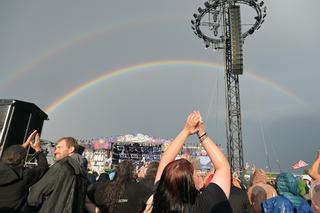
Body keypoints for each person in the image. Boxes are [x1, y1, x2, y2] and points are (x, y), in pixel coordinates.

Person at [146, 111, 232, 213]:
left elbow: (165, 161)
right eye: (195, 173)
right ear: (191, 183)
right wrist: (202, 134)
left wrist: (186, 131)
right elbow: (223, 166)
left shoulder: (160, 199)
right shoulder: (205, 203)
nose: (199, 175)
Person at [28, 137, 88, 213]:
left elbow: (34, 197)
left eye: (59, 147)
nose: (55, 151)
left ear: (71, 149)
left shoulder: (61, 166)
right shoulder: (82, 173)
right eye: (55, 148)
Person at [0, 130, 48, 213]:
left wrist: (23, 146)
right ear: (22, 161)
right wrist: (38, 150)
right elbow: (43, 167)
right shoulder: (24, 175)